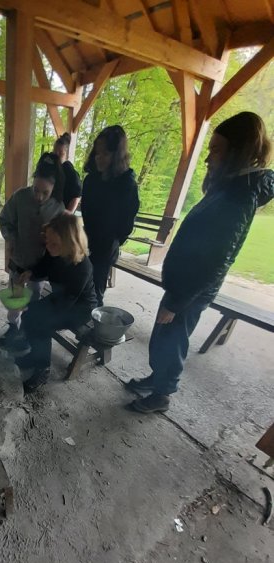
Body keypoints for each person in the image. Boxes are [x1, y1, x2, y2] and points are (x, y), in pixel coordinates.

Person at [128, 111, 273, 414]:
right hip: (184, 282)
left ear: (238, 151)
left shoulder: (239, 197)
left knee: (172, 339)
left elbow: (216, 258)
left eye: (216, 149)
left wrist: (178, 301)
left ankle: (162, 395)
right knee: (163, 338)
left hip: (192, 288)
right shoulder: (229, 185)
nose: (208, 158)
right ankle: (157, 379)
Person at [14, 213, 96, 392]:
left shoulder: (82, 267)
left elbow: (65, 304)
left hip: (79, 308)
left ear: (71, 243)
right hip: (60, 298)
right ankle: (35, 356)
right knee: (30, 316)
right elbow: (43, 266)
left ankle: (42, 369)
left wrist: (30, 306)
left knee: (41, 323)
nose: (48, 247)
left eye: (54, 244)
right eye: (47, 242)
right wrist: (30, 273)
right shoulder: (54, 252)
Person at [0, 152, 65, 349]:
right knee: (15, 300)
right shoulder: (20, 196)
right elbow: (4, 220)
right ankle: (13, 327)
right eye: (36, 190)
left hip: (39, 266)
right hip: (18, 260)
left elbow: (61, 242)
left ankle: (26, 333)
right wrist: (12, 238)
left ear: (54, 188)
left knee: (33, 302)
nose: (39, 196)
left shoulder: (58, 208)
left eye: (45, 193)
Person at [81, 125, 140, 307]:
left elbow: (126, 224)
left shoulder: (127, 184)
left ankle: (94, 320)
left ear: (117, 156)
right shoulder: (91, 180)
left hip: (107, 245)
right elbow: (87, 212)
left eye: (105, 154)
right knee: (80, 281)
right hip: (87, 239)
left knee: (96, 288)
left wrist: (113, 241)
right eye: (97, 153)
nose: (99, 158)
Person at [53, 132, 82, 213]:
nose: (56, 155)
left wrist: (67, 214)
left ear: (66, 154)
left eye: (60, 153)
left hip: (63, 213)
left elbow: (77, 195)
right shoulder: (51, 168)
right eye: (54, 152)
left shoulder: (70, 172)